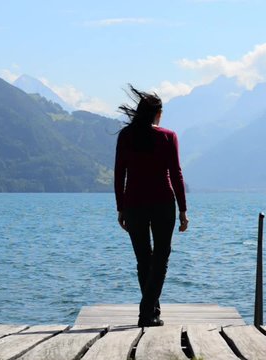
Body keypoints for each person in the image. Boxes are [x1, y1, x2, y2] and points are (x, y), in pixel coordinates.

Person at [114, 84, 189, 327]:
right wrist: (183, 210)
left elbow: (119, 175)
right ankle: (147, 311)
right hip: (163, 203)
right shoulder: (168, 137)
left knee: (143, 259)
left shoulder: (126, 136)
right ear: (157, 114)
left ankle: (149, 311)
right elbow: (176, 174)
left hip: (134, 203)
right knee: (161, 258)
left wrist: (121, 207)